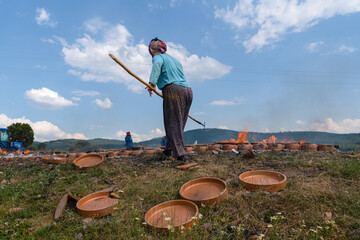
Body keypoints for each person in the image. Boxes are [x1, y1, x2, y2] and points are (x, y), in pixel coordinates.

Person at [145, 38, 193, 161]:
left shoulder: (158, 57)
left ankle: (180, 156)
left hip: (173, 90)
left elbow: (157, 65)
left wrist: (152, 83)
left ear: (152, 49)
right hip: (187, 90)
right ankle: (168, 150)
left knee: (172, 123)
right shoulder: (174, 60)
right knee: (178, 123)